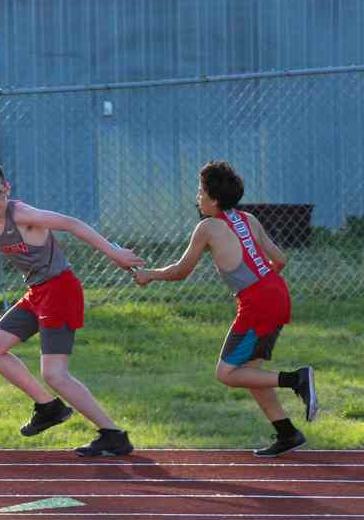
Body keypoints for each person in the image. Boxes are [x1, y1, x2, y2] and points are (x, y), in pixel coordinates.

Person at [0, 161, 143, 457]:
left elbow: (72, 224)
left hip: (60, 291)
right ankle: (48, 408)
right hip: (38, 293)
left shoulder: (21, 214)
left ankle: (112, 435)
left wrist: (115, 253)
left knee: (55, 374)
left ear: (7, 189)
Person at [132, 161, 317, 457]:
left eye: (201, 192)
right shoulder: (247, 219)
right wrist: (260, 279)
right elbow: (279, 260)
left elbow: (181, 271)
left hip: (257, 302)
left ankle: (295, 379)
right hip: (275, 292)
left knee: (227, 373)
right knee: (249, 370)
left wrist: (149, 274)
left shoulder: (207, 227)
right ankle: (287, 433)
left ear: (214, 199)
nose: (197, 197)